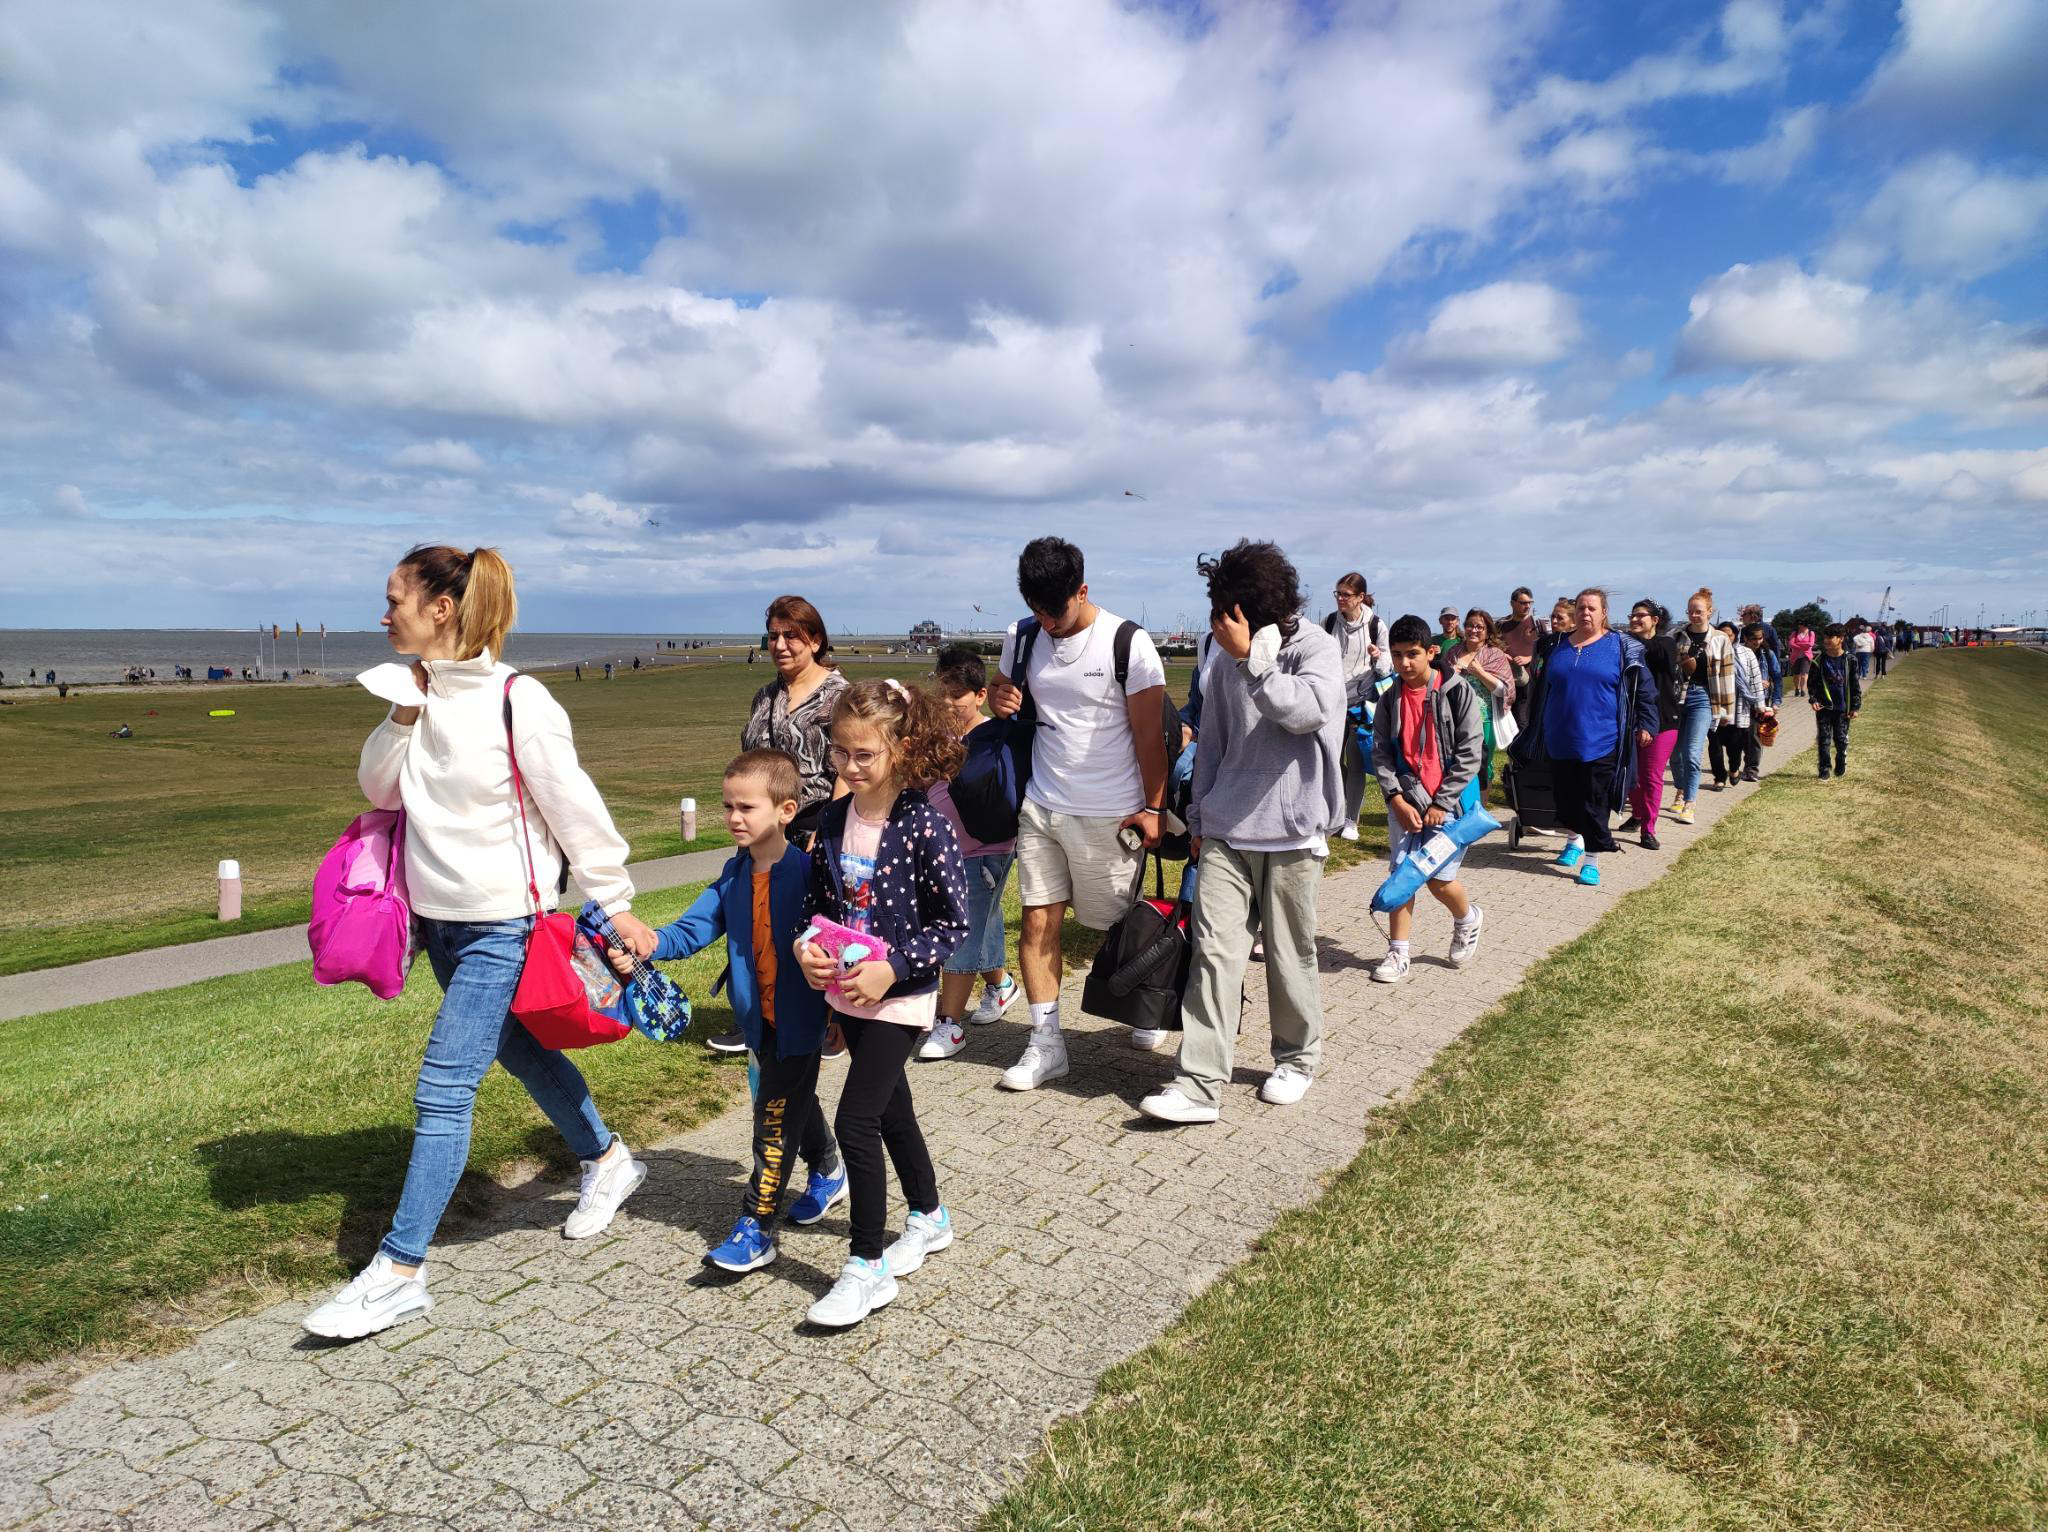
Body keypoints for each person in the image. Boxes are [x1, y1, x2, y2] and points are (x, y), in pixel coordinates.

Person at [304, 545, 659, 1340]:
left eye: (394, 598)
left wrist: (615, 902)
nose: (383, 613)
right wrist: (403, 711)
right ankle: (608, 1160)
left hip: (503, 925)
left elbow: (575, 809)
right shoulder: (417, 695)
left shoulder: (518, 700)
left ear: (441, 608)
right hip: (438, 925)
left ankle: (400, 1270)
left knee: (444, 1087)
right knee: (521, 1052)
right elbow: (378, 788)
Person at [618, 749, 846, 1275]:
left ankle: (756, 1227)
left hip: (802, 1024)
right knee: (789, 1099)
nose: (734, 818)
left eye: (746, 807)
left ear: (786, 811)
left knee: (771, 1123)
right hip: (757, 1024)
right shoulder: (733, 872)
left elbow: (836, 946)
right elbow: (692, 929)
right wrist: (648, 943)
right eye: (727, 806)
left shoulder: (810, 873)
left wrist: (838, 1017)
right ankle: (828, 1168)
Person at [1138, 541, 1343, 1124]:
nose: (1221, 620)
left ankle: (1296, 1059)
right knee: (1214, 954)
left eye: (1230, 608)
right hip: (1227, 829)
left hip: (1293, 830)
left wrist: (1255, 660)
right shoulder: (1222, 656)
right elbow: (1213, 743)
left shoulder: (1315, 647)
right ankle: (1199, 1084)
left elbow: (1306, 712)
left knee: (1288, 953)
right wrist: (1199, 818)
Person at [796, 679, 969, 1327]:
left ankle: (866, 1265)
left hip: (902, 997)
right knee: (892, 1111)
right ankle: (929, 1215)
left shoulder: (926, 825)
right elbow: (819, 906)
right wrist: (806, 949)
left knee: (855, 1122)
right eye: (839, 752)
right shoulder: (833, 819)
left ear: (903, 749)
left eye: (864, 754)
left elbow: (952, 924)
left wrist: (891, 967)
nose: (848, 766)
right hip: (848, 994)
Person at [986, 538, 1170, 1087]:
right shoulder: (1022, 635)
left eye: (1057, 612)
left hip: (1110, 812)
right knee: (1038, 919)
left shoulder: (1128, 643)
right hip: (1041, 804)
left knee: (1117, 926)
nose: (1048, 623)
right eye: (1037, 610)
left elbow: (1150, 736)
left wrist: (1154, 808)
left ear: (1083, 591)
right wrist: (999, 697)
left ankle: (1145, 1002)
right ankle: (1046, 1043)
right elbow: (1001, 687)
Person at [724, 594, 850, 1055]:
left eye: (791, 636)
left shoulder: (839, 696)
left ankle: (830, 1021)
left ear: (815, 640)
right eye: (773, 636)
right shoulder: (766, 696)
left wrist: (829, 827)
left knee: (814, 922)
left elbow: (846, 767)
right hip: (764, 828)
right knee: (759, 917)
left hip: (815, 821)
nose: (779, 645)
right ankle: (758, 1015)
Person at [917, 645, 1021, 1060]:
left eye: (957, 696)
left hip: (986, 850)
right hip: (945, 850)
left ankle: (949, 1023)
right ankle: (1001, 984)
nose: (948, 704)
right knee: (983, 920)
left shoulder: (994, 736)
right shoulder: (937, 738)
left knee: (961, 931)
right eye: (941, 693)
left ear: (980, 695)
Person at [1368, 615, 1486, 984]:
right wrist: (1395, 799)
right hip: (1406, 802)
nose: (1404, 663)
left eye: (1412, 654)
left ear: (1431, 652)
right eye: (1397, 655)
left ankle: (1467, 918)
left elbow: (1470, 753)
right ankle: (1398, 952)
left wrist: (1441, 803)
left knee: (1438, 880)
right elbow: (1380, 753)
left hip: (1449, 805)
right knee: (1402, 877)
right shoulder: (1390, 698)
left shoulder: (1457, 691)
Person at [1539, 589, 1655, 888]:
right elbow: (1543, 689)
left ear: (1604, 612)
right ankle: (1574, 840)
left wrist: (1646, 723)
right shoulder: (1556, 645)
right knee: (1566, 801)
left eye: (1592, 608)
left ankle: (1591, 860)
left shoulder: (1622, 646)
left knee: (1594, 802)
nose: (1585, 613)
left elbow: (1644, 689)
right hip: (1560, 738)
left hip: (1602, 739)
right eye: (1580, 608)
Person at [1323, 572, 1390, 840]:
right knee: (1332, 761)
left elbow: (1387, 667)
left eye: (1346, 594)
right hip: (1332, 701)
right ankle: (1336, 814)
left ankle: (1351, 819)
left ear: (1361, 597)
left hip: (1362, 703)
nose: (1340, 599)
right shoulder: (1329, 622)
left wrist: (1378, 656)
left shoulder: (1376, 625)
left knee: (1355, 760)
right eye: (1338, 593)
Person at [1668, 588, 1734, 826]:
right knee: (1674, 755)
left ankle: (1690, 803)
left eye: (1699, 612)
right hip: (1677, 698)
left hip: (1703, 698)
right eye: (1691, 612)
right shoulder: (1676, 636)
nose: (1694, 616)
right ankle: (1681, 788)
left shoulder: (1720, 639)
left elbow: (1727, 675)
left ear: (1709, 612)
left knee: (1692, 752)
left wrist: (1726, 711)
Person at [1619, 600, 1680, 850]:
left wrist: (1627, 639)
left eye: (1640, 616)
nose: (1634, 619)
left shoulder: (1665, 644)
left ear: (1655, 620)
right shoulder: (1627, 643)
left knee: (1651, 777)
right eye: (1632, 615)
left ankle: (1648, 829)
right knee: (1630, 775)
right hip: (1630, 718)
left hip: (1663, 720)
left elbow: (1654, 653)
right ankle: (1639, 813)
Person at [1435, 607, 1515, 786]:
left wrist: (1480, 673)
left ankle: (1481, 803)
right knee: (1457, 764)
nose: (1474, 630)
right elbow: (1439, 684)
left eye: (1479, 627)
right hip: (1456, 719)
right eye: (1470, 625)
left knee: (1483, 766)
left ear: (1487, 632)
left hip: (1485, 720)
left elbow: (1505, 691)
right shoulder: (1453, 652)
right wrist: (1450, 674)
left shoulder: (1495, 655)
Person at [1808, 624, 1860, 779]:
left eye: (1830, 637)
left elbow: (1855, 684)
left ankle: (1841, 759)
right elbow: (1812, 683)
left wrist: (1855, 706)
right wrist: (1813, 699)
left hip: (1843, 708)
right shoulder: (1818, 660)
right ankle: (1824, 769)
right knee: (1824, 740)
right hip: (1824, 707)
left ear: (1841, 639)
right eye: (1825, 637)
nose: (1826, 640)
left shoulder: (1850, 660)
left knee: (1840, 739)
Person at [1499, 587, 1542, 731]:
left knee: (1523, 719)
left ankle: (1524, 744)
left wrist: (1529, 658)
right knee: (1507, 718)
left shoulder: (1537, 624)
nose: (1527, 606)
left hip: (1529, 679)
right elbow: (1492, 647)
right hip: (1507, 679)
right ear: (1512, 603)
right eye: (1523, 603)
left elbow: (1546, 651)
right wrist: (1502, 655)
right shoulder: (1501, 625)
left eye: (1530, 602)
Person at [1787, 621, 1814, 698]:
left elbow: (1810, 644)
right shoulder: (1795, 633)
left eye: (1804, 626)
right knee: (1796, 674)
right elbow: (1791, 644)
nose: (1802, 627)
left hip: (1806, 656)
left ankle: (1803, 689)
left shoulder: (1811, 633)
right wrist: (1803, 646)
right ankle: (1797, 688)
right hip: (1795, 656)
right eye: (1801, 626)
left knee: (1804, 674)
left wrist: (1798, 644)